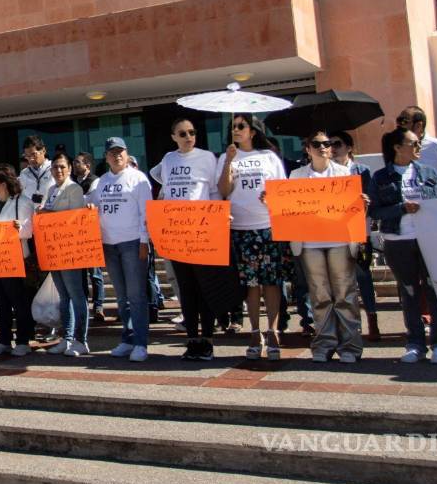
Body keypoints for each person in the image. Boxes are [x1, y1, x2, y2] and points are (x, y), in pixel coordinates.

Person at [151, 118, 233, 361]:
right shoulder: (168, 159)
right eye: (183, 133)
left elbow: (215, 193)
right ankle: (192, 339)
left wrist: (220, 215)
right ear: (174, 136)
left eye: (192, 132)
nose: (188, 136)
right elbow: (165, 190)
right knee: (185, 290)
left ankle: (207, 339)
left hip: (201, 231)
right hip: (177, 232)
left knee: (203, 287)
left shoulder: (207, 157)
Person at [369, 127, 437, 363]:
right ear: (397, 147)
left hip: (429, 238)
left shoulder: (429, 172)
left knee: (434, 289)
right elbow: (374, 211)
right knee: (408, 291)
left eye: (419, 143)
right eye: (413, 143)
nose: (418, 148)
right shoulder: (381, 177)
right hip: (398, 240)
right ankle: (415, 342)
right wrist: (402, 208)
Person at [217, 113, 288, 361]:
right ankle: (255, 331)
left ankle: (274, 330)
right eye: (233, 127)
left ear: (253, 131)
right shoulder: (227, 157)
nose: (236, 130)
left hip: (267, 227)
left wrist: (271, 198)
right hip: (240, 229)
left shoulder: (269, 157)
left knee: (271, 281)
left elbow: (283, 190)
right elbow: (223, 191)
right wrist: (228, 161)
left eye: (241, 126)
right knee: (250, 284)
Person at [290, 132, 364, 363]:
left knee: (345, 293)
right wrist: (270, 201)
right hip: (310, 241)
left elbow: (353, 207)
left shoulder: (345, 173)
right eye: (317, 144)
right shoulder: (296, 175)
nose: (323, 147)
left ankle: (350, 346)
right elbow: (288, 206)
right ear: (307, 149)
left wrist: (362, 203)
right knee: (319, 294)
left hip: (340, 240)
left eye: (327, 144)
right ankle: (324, 343)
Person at [87, 138, 153, 361]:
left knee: (136, 296)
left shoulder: (138, 179)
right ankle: (127, 338)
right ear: (106, 157)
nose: (117, 156)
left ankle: (141, 343)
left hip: (133, 242)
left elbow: (147, 212)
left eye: (120, 152)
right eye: (112, 153)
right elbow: (92, 204)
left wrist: (145, 241)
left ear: (127, 154)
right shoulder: (102, 182)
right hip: (109, 244)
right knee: (122, 297)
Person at [329, 131, 381, 341]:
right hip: (335, 231)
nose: (333, 148)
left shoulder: (362, 170)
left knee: (363, 276)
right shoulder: (328, 172)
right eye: (330, 144)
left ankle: (372, 319)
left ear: (349, 147)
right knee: (339, 280)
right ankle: (347, 324)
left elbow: (371, 200)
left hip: (359, 230)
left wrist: (366, 201)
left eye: (338, 144)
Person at [37, 152, 89, 356]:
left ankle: (81, 339)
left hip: (70, 249)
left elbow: (73, 218)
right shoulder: (51, 189)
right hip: (54, 250)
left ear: (69, 168)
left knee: (76, 295)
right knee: (64, 297)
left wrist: (47, 215)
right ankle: (66, 338)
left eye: (62, 167)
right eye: (55, 167)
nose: (58, 170)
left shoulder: (74, 188)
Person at [0, 165, 36, 356]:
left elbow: (30, 229)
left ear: (4, 184)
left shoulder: (22, 202)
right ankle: (4, 339)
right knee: (0, 301)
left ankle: (23, 340)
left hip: (14, 260)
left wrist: (19, 227)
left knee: (18, 301)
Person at [396, 106, 437, 196]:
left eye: (404, 121)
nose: (399, 125)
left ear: (418, 126)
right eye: (398, 121)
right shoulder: (396, 149)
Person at [72, 152, 106, 323]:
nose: (75, 165)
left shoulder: (95, 181)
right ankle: (83, 304)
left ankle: (98, 305)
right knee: (81, 273)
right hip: (76, 232)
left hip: (91, 231)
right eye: (74, 162)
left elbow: (94, 202)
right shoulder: (71, 182)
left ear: (87, 165)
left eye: (78, 163)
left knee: (95, 273)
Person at [19, 136, 55, 208]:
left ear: (43, 151)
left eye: (33, 154)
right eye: (27, 156)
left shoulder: (55, 169)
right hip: (30, 216)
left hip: (51, 214)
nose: (31, 159)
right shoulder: (24, 173)